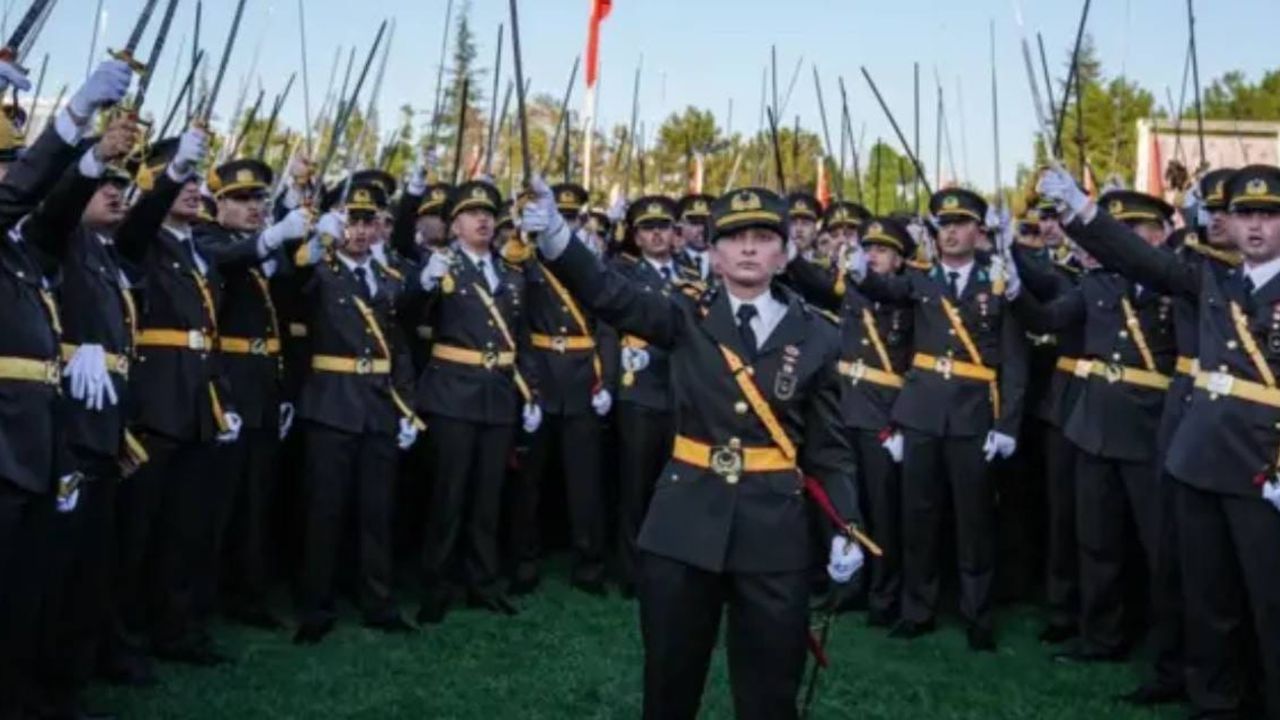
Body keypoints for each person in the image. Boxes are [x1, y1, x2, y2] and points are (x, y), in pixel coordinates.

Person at [525, 179, 865, 720]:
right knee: (669, 685)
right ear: (713, 253)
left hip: (774, 530)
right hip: (684, 523)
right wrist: (558, 240)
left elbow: (829, 448)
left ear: (784, 255)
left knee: (770, 692)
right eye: (734, 238)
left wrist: (847, 523)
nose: (748, 248)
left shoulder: (818, 335)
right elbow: (611, 294)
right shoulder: (684, 313)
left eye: (763, 237)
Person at [1038, 163, 1280, 720]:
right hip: (1201, 460)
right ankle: (1214, 702)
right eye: (1244, 214)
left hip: (1263, 466)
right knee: (1209, 597)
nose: (1255, 226)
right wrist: (1081, 210)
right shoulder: (1215, 279)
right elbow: (1140, 259)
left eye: (1269, 215)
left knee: (1270, 600)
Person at [0, 58, 133, 717]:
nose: (11, 177)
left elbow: (48, 213)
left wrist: (92, 158)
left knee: (23, 594)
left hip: (32, 444)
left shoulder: (19, 251)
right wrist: (75, 115)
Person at [846, 187, 1028, 651]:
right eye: (942, 225)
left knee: (974, 521)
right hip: (922, 413)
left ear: (978, 230)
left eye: (959, 223)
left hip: (973, 415)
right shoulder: (921, 280)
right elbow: (884, 288)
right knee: (918, 517)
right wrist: (859, 271)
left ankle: (977, 614)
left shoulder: (997, 281)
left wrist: (1007, 425)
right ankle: (917, 609)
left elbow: (1014, 361)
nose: (950, 232)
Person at [1010, 191, 1179, 673]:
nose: (1120, 241)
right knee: (1096, 540)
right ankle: (1101, 635)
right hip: (1095, 426)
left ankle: (1170, 649)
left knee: (1160, 547)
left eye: (1133, 231)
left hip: (1151, 428)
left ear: (1160, 235)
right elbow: (1049, 318)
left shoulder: (1178, 283)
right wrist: (1015, 293)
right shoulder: (1098, 283)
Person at [290, 180, 422, 644]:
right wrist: (312, 241)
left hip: (378, 406)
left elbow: (398, 348)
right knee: (324, 511)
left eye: (369, 221)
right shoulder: (318, 272)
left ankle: (378, 603)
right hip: (331, 403)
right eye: (353, 220)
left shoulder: (388, 279)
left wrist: (407, 406)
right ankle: (316, 607)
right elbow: (291, 287)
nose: (361, 231)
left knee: (376, 512)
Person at [412, 179, 539, 624]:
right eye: (471, 213)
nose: (482, 220)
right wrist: (424, 283)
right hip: (453, 393)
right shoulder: (440, 267)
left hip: (498, 394)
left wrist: (531, 391)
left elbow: (521, 338)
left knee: (488, 498)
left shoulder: (510, 271)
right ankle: (437, 586)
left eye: (488, 214)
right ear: (454, 225)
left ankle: (483, 583)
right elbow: (408, 315)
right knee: (449, 496)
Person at [197, 156, 308, 630]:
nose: (254, 207)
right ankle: (203, 596)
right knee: (217, 501)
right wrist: (273, 237)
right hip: (228, 382)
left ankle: (248, 593)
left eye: (259, 198)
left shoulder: (265, 249)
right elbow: (227, 261)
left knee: (256, 500)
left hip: (264, 384)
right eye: (241, 199)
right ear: (219, 204)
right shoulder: (208, 239)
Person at [788, 216, 916, 627]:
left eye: (883, 250)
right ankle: (846, 586)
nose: (873, 256)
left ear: (900, 260)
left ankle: (884, 594)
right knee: (844, 506)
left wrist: (902, 420)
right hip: (843, 407)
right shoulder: (851, 290)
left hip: (882, 415)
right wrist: (791, 256)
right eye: (870, 248)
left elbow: (918, 365)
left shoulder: (910, 295)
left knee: (883, 511)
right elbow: (815, 284)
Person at [508, 181, 612, 596]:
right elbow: (517, 325)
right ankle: (524, 561)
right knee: (528, 482)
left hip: (583, 379)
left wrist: (605, 380)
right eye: (559, 217)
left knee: (586, 482)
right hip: (541, 375)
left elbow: (607, 326)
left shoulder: (591, 264)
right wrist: (528, 385)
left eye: (571, 218)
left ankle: (590, 564)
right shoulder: (526, 260)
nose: (565, 224)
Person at [608, 195, 689, 598]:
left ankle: (670, 566)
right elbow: (607, 325)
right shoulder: (624, 274)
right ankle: (631, 571)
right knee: (635, 488)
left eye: (663, 227)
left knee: (676, 489)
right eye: (648, 228)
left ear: (675, 233)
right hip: (639, 391)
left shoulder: (691, 274)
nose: (656, 235)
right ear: (636, 237)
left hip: (681, 393)